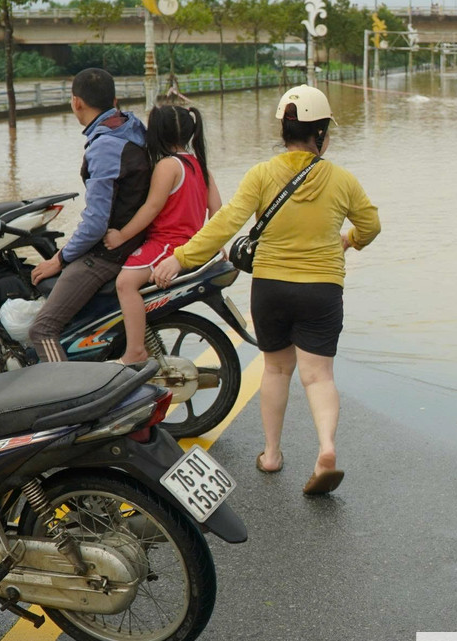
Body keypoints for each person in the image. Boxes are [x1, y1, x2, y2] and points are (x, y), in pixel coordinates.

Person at [153, 85, 380, 496]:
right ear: (322, 133)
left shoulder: (261, 174)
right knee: (318, 376)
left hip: (271, 287)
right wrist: (349, 241)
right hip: (322, 289)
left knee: (276, 369)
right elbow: (371, 226)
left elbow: (225, 222)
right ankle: (326, 449)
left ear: (283, 129)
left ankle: (272, 454)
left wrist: (181, 258)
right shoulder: (343, 180)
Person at [27, 68, 152, 362]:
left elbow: (95, 224)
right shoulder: (131, 127)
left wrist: (59, 259)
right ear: (115, 100)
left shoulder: (105, 146)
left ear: (76, 102)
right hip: (135, 240)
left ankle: (65, 400)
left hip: (108, 254)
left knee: (42, 330)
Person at [104, 104, 222, 364]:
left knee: (124, 284)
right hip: (189, 244)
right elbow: (217, 209)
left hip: (167, 245)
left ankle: (135, 350)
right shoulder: (199, 165)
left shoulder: (167, 166)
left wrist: (120, 236)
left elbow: (152, 208)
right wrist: (215, 245)